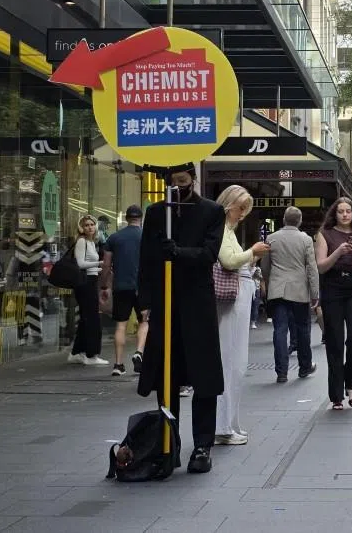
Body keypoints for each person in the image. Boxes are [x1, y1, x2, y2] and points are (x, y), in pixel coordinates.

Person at [137, 163, 225, 474]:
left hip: (197, 304)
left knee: (203, 377)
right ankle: (167, 441)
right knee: (166, 376)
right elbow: (146, 260)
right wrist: (145, 301)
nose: (178, 186)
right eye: (173, 182)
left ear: (194, 180)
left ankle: (202, 445)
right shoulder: (156, 213)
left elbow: (209, 254)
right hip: (166, 302)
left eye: (183, 181)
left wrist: (179, 253)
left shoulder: (212, 211)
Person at [214, 185, 269, 445]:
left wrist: (249, 257)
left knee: (236, 363)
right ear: (229, 205)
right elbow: (228, 260)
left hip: (238, 297)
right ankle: (223, 425)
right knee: (231, 361)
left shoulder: (228, 229)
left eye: (245, 210)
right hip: (232, 300)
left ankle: (229, 423)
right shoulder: (221, 228)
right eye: (240, 209)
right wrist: (252, 253)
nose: (242, 214)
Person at [315, 197, 352, 411]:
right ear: (335, 214)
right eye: (341, 211)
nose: (345, 215)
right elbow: (321, 267)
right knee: (335, 342)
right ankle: (337, 395)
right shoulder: (324, 234)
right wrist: (338, 252)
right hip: (332, 288)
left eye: (348, 211)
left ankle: (350, 383)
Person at [264, 206, 320, 383]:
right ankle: (304, 367)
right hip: (299, 290)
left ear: (284, 220)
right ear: (300, 220)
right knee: (303, 329)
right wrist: (315, 292)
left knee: (280, 330)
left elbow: (265, 266)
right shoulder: (306, 239)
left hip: (277, 290)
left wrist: (269, 281)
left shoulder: (271, 238)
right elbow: (311, 268)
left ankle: (281, 372)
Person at [100, 205, 147, 376]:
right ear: (141, 218)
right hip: (143, 287)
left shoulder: (114, 238)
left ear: (126, 219)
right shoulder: (147, 237)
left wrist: (104, 286)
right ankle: (139, 352)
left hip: (121, 286)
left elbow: (106, 265)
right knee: (144, 321)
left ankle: (118, 365)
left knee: (121, 325)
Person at [67, 215, 108, 366]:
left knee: (86, 319)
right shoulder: (82, 241)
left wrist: (99, 268)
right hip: (85, 284)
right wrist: (100, 263)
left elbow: (89, 266)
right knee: (92, 319)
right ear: (81, 228)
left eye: (92, 224)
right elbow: (81, 264)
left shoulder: (92, 242)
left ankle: (76, 352)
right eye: (86, 225)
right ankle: (91, 355)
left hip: (90, 281)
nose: (90, 227)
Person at [250, 263, 263, 330]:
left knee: (255, 306)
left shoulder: (258, 269)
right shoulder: (247, 268)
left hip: (256, 289)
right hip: (248, 289)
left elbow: (260, 278)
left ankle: (253, 322)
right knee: (249, 306)